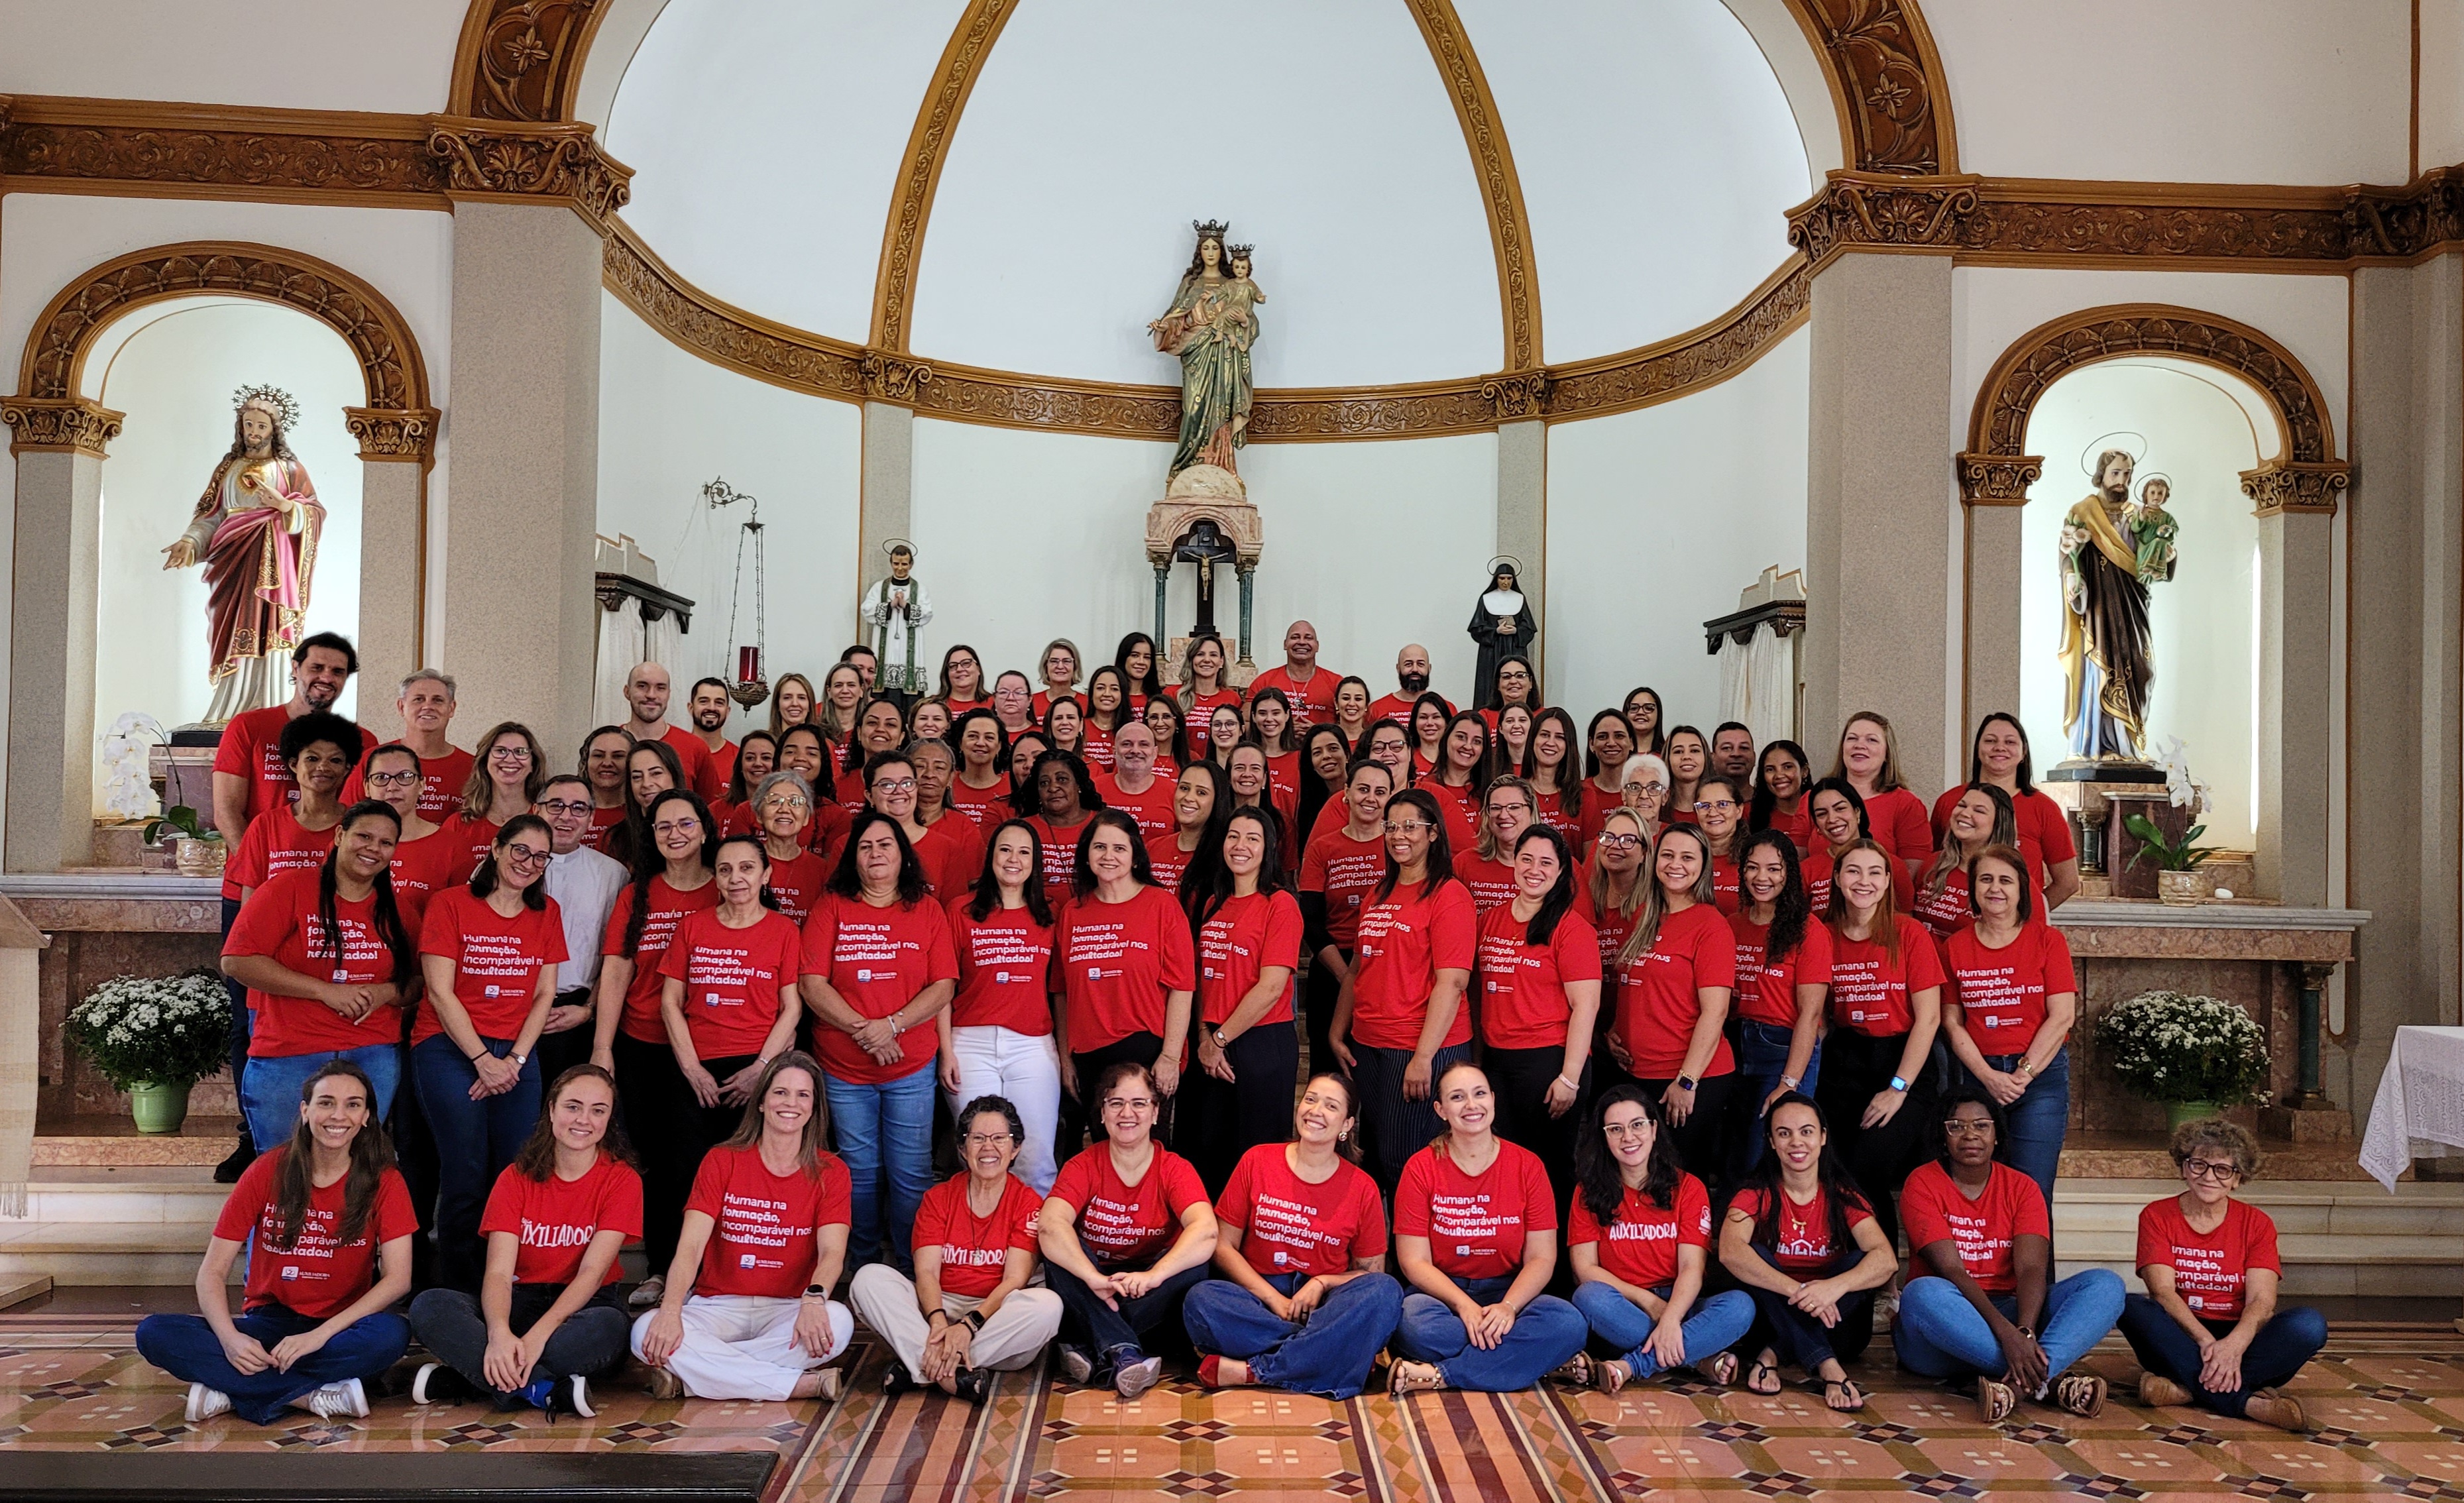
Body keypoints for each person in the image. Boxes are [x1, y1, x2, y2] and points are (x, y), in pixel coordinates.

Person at [135, 1061, 413, 1424]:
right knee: (154, 1333)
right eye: (326, 1103)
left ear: (366, 1117)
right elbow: (212, 1273)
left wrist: (318, 1336)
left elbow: (398, 1279)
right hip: (268, 1324)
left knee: (391, 1335)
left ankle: (234, 1390)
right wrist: (231, 1340)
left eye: (353, 1104)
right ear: (305, 1110)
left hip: (336, 1330)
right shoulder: (268, 1169)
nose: (338, 1115)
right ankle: (309, 1396)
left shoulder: (385, 1180)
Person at [406, 1064, 642, 1417]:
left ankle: (469, 1379)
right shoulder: (516, 1177)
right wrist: (500, 1333)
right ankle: (540, 1387)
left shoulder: (622, 1180)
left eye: (598, 1110)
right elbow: (499, 1274)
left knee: (609, 1331)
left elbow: (592, 1273)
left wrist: (536, 1338)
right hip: (520, 1301)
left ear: (609, 1119)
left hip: (585, 1305)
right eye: (573, 1106)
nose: (583, 1120)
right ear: (551, 1110)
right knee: (429, 1306)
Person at [631, 1052, 854, 1401]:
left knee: (838, 1322)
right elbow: (690, 1247)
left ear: (814, 1107)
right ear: (762, 1101)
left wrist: (813, 1302)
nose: (790, 1103)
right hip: (717, 1305)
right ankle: (796, 1384)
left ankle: (694, 1381)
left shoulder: (831, 1171)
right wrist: (671, 1310)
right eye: (780, 1092)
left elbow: (832, 1251)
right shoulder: (723, 1160)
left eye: (803, 1095)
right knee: (645, 1331)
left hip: (789, 1307)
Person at [1893, 1089, 2125, 1420]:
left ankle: (2017, 1386)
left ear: (1998, 1136)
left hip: (2012, 1312)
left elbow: (2032, 1269)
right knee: (1922, 1292)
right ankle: (2052, 1379)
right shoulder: (1923, 1182)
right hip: (1943, 1331)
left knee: (2106, 1286)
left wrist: (2025, 1332)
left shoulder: (2023, 1187)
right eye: (1956, 1126)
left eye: (1982, 1126)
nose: (1970, 1134)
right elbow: (1951, 1270)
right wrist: (2008, 1336)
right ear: (1942, 1137)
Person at [802, 810, 958, 1273]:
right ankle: (864, 1266)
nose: (875, 854)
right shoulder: (831, 906)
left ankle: (915, 1270)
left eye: (885, 845)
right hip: (844, 1068)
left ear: (903, 855)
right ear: (853, 857)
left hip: (910, 1067)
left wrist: (890, 1026)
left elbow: (943, 985)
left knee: (911, 1175)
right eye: (865, 846)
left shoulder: (927, 910)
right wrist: (865, 1031)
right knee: (860, 1175)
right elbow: (812, 982)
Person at [415, 816, 567, 1291]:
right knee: (466, 1167)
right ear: (497, 849)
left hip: (516, 1052)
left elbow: (545, 995)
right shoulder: (451, 904)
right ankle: (457, 1287)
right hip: (448, 1047)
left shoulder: (548, 912)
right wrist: (484, 1060)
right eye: (520, 851)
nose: (528, 863)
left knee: (517, 1169)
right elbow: (440, 993)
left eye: (540, 857)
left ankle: (501, 1283)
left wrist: (515, 1061)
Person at [1181, 1074, 1402, 1396]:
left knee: (1385, 1292)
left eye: (1331, 1106)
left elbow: (1371, 1274)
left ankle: (1255, 1372)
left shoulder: (1362, 1187)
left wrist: (1322, 1282)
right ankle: (1337, 1350)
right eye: (1311, 1099)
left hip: (1327, 1305)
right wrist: (1274, 1300)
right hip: (1260, 1297)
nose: (1315, 1110)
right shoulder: (1257, 1160)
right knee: (1201, 1301)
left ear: (1347, 1123)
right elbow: (1223, 1246)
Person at [221, 800, 418, 1151]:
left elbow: (418, 983)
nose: (374, 848)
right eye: (364, 836)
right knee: (285, 1173)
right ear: (340, 835)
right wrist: (324, 991)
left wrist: (385, 993)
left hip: (371, 1054)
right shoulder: (290, 888)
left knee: (358, 1172)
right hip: (290, 1051)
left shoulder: (399, 909)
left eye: (386, 843)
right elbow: (238, 960)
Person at [1386, 1062, 1587, 1396]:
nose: (1471, 1105)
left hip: (1510, 1294)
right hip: (1443, 1297)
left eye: (1479, 1094)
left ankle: (1442, 1374)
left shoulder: (1528, 1166)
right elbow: (1413, 1261)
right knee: (1411, 1325)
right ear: (1441, 1109)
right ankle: (1538, 1361)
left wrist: (1508, 1308)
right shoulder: (1420, 1168)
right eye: (1457, 1097)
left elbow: (1541, 1257)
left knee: (1569, 1322)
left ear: (1493, 1100)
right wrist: (1465, 1306)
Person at [848, 1095, 1064, 1401]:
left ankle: (920, 1366)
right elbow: (926, 1271)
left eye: (1000, 1139)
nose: (988, 1148)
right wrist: (938, 1320)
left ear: (1015, 1148)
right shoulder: (939, 1198)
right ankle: (955, 1376)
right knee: (869, 1278)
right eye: (977, 1138)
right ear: (962, 1149)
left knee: (1047, 1306)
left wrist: (970, 1325)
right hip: (937, 1309)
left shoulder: (1028, 1202)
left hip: (995, 1317)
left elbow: (1015, 1280)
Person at [592, 789, 718, 1310]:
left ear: (705, 830)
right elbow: (618, 968)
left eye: (685, 824)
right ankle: (667, 1269)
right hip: (643, 1041)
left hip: (710, 1047)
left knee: (702, 1163)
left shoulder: (723, 888)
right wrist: (603, 1048)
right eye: (663, 827)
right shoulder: (637, 893)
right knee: (658, 1164)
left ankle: (711, 1271)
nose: (675, 835)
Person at [2119, 1119, 2324, 1430]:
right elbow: (2162, 1292)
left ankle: (2184, 1390)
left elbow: (2262, 1300)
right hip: (2180, 1333)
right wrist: (2205, 1342)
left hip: (2242, 1336)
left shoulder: (2257, 1223)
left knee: (2309, 1325)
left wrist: (2233, 1346)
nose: (2208, 1177)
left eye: (2222, 1169)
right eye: (2199, 1164)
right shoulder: (2157, 1215)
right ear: (2184, 1167)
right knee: (2131, 1307)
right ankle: (2248, 1403)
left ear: (2237, 1179)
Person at [1039, 1061, 1218, 1398]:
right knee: (1058, 1253)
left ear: (1155, 1113)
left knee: (1197, 1264)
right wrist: (1093, 1279)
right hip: (1093, 1284)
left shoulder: (1174, 1168)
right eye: (1116, 1103)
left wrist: (1154, 1276)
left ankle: (1093, 1345)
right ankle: (1124, 1351)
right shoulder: (1083, 1165)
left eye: (1139, 1103)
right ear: (1102, 1114)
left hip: (1150, 1289)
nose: (1127, 1113)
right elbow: (1050, 1225)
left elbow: (1206, 1230)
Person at [1331, 787, 1477, 1197]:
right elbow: (1360, 967)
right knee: (1373, 1156)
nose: (1399, 834)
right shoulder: (1378, 893)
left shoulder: (1450, 896)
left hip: (1418, 1048)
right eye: (1391, 825)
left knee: (1406, 1162)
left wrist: (1424, 1056)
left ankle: (1408, 1258)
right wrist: (1337, 1031)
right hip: (1369, 1045)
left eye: (1410, 826)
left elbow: (1452, 982)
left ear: (1433, 834)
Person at [1566, 1087, 1754, 1392]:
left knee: (1740, 1307)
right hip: (1625, 1304)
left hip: (1683, 1301)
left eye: (1637, 1125)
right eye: (1616, 1129)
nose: (1628, 1137)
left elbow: (1693, 1267)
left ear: (1654, 1129)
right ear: (1604, 1138)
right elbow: (1585, 1269)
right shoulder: (1588, 1191)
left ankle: (1634, 1365)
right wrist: (1648, 1302)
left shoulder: (1689, 1187)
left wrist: (1671, 1318)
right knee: (1588, 1297)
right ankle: (1698, 1358)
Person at [657, 832, 803, 1221]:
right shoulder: (692, 926)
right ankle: (673, 1271)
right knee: (684, 1170)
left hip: (756, 1069)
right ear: (716, 879)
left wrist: (762, 1069)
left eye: (746, 868)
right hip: (694, 1068)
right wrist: (692, 1069)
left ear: (766, 875)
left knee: (748, 1175)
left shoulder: (784, 930)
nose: (735, 878)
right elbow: (671, 1002)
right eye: (725, 870)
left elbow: (791, 1008)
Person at [1720, 1093, 1897, 1410]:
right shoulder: (1755, 1193)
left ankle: (1774, 1353)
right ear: (1772, 1142)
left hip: (1835, 1321)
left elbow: (1885, 1260)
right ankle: (1827, 1366)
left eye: (1806, 1131)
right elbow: (1730, 1252)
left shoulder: (1843, 1195)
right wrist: (1798, 1290)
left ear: (1823, 1137)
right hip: (1770, 1317)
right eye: (1784, 1133)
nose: (1796, 1142)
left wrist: (1832, 1288)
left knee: (1859, 1262)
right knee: (1754, 1254)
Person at [1816, 838, 1942, 1251]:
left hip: (1903, 1062)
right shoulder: (1823, 934)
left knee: (1866, 1168)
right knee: (1836, 1168)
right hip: (1845, 1061)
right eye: (1853, 871)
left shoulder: (1908, 933)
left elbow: (1929, 1017)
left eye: (1875, 872)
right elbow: (1818, 1013)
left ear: (1889, 881)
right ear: (1837, 878)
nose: (1863, 881)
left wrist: (1897, 1090)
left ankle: (1883, 1279)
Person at [1940, 844, 2078, 1206]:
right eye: (1985, 879)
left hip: (2040, 1080)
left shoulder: (2049, 941)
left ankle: (2034, 1267)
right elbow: (1953, 1023)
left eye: (2006, 880)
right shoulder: (1954, 947)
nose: (1995, 889)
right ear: (1973, 889)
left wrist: (2023, 1074)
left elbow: (2063, 1015)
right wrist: (1988, 1077)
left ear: (2022, 890)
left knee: (2032, 1191)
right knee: (1981, 1190)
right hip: (1978, 1077)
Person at [1477, 824, 1600, 1216]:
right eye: (1526, 859)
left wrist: (1569, 1078)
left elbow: (1587, 1006)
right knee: (1506, 1168)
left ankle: (1560, 1269)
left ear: (1562, 870)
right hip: (1498, 1062)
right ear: (1513, 862)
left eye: (1547, 862)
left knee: (1551, 1172)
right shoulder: (1490, 920)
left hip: (1548, 1063)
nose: (1535, 869)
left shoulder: (1572, 928)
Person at [1606, 823, 1737, 1181]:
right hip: (1639, 1073)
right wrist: (1617, 1029)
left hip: (1686, 1079)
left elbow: (1717, 1011)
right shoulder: (1644, 914)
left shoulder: (1711, 926)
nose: (1676, 864)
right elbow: (1638, 983)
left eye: (1687, 857)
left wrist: (1687, 1081)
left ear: (1703, 866)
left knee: (1676, 1179)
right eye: (1668, 855)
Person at [1183, 807, 1304, 1192]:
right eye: (1234, 836)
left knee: (1255, 1157)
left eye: (1253, 838)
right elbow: (1202, 978)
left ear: (1268, 848)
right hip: (1211, 1043)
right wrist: (1205, 1034)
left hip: (1260, 1043)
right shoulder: (1211, 904)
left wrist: (1219, 1040)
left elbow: (1270, 988)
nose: (1241, 846)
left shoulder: (1280, 904)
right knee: (1208, 1153)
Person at [945, 821, 1064, 1195]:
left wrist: (1065, 1052)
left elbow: (1060, 989)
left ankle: (1033, 1249)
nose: (1014, 859)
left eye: (1024, 852)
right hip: (969, 1044)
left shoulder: (1050, 914)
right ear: (991, 857)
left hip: (1032, 1044)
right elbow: (942, 988)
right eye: (1005, 850)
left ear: (1035, 863)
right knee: (980, 1152)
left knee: (1036, 1156)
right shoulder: (960, 910)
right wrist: (946, 1051)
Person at [1054, 809, 1196, 1117]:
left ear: (1135, 857)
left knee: (1146, 1153)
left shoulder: (1162, 906)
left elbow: (1182, 988)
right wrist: (1065, 1060)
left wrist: (1171, 1057)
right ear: (1087, 854)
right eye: (1100, 847)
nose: (1108, 856)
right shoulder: (1072, 912)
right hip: (1087, 1056)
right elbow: (1061, 992)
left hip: (1147, 1051)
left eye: (1119, 848)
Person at [1728, 830, 1830, 1161]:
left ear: (1790, 873)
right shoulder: (1732, 924)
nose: (1762, 877)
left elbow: (1810, 1016)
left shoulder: (1809, 930)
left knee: (1765, 1154)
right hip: (1735, 1046)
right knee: (1737, 1152)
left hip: (1783, 1047)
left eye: (1774, 868)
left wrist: (1789, 1082)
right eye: (1753, 867)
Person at [1300, 758, 1392, 1086]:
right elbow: (1310, 920)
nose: (1371, 798)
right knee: (1328, 1075)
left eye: (1381, 792)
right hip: (1332, 969)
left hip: (1387, 967)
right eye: (1363, 789)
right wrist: (1346, 977)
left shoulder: (1400, 847)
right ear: (1346, 793)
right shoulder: (1323, 848)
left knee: (1380, 1077)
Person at [533, 775, 628, 1084]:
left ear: (591, 818)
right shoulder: (502, 866)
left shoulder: (614, 875)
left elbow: (616, 957)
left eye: (578, 808)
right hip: (511, 1012)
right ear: (536, 810)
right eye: (556, 805)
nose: (565, 816)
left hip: (578, 1014)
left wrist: (588, 1008)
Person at [1938, 713, 2082, 911]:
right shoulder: (1950, 802)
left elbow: (2068, 882)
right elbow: (1935, 865)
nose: (2000, 747)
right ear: (1978, 750)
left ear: (2024, 753)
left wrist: (2026, 917)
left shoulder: (2044, 808)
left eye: (2010, 742)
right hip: (1951, 924)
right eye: (1990, 741)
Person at [225, 711, 356, 905]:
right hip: (275, 932)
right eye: (312, 759)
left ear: (346, 769)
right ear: (294, 764)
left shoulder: (358, 825)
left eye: (335, 760)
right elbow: (251, 905)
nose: (323, 767)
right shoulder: (265, 825)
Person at [339, 669, 471, 818]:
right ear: (401, 707)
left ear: (451, 708)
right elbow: (348, 817)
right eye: (419, 699)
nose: (428, 706)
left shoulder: (472, 766)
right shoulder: (374, 759)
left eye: (438, 700)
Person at [868, 748, 985, 897]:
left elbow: (957, 906)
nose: (929, 775)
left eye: (939, 768)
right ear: (869, 795)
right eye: (920, 766)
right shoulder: (848, 843)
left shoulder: (949, 846)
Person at [437, 721, 548, 875]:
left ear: (533, 764)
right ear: (485, 762)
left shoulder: (546, 821)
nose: (510, 759)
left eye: (520, 752)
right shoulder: (458, 825)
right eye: (501, 751)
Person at [1915, 783, 2019, 941]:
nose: (1964, 813)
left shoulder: (2015, 882)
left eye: (1979, 810)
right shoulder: (1933, 863)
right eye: (1961, 805)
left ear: (1999, 824)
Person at [1829, 712, 1932, 871]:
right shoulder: (1814, 799)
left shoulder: (1906, 804)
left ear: (1887, 753)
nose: (1859, 745)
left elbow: (1913, 871)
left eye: (1871, 740)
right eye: (1852, 738)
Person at [620, 662, 721, 805]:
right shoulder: (608, 746)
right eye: (642, 686)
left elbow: (712, 811)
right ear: (627, 692)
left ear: (668, 694)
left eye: (660, 688)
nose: (651, 695)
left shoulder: (696, 748)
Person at [749, 770, 829, 924]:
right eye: (774, 801)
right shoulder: (745, 864)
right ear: (759, 815)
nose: (785, 809)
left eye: (796, 802)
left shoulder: (821, 869)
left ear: (806, 817)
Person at [1026, 749, 1101, 905]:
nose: (1053, 788)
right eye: (1044, 783)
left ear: (1079, 784)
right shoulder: (1023, 830)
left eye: (1062, 779)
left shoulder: (1104, 824)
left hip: (1095, 916)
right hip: (1037, 915)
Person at [861, 543, 934, 698]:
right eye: (896, 563)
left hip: (909, 651)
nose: (900, 568)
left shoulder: (919, 589)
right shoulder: (879, 587)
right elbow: (867, 610)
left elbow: (927, 613)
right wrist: (890, 605)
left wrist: (906, 606)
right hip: (886, 649)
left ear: (911, 564)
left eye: (904, 564)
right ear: (891, 563)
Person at [1147, 758, 1223, 897]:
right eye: (1184, 788)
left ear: (1218, 800)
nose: (1189, 798)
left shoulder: (1224, 856)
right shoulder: (1153, 848)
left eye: (1201, 793)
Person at [605, 738, 685, 869]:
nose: (646, 784)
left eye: (656, 773)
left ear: (674, 777)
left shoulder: (696, 831)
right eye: (637, 777)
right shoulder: (614, 840)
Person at [1093, 720, 1176, 843]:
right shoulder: (1095, 788)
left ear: (1155, 753)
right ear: (1114, 751)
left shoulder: (1174, 792)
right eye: (1127, 744)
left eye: (1143, 744)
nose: (1135, 751)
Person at [1423, 712, 1490, 852]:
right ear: (1446, 738)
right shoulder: (1425, 787)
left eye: (1477, 741)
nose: (1468, 746)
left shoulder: (1491, 791)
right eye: (1461, 737)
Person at [1250, 620, 1338, 728]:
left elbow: (1353, 725)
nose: (1302, 642)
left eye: (1308, 638)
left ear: (1317, 646)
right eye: (1295, 637)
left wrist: (1318, 732)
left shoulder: (1336, 683)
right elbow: (1246, 722)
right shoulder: (1264, 682)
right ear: (1285, 644)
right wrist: (1283, 732)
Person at [1520, 708, 1585, 842]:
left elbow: (1591, 859)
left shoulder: (1585, 796)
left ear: (1569, 745)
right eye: (1544, 735)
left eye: (1560, 737)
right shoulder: (1516, 793)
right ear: (1533, 739)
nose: (1550, 743)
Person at [1177, 634, 1242, 760]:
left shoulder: (1232, 698)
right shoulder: (1173, 694)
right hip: (1183, 765)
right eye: (1200, 654)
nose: (1207, 660)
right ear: (1191, 660)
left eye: (1213, 655)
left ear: (1221, 661)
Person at [1691, 773, 1749, 913]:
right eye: (1704, 806)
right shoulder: (1686, 858)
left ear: (1739, 811)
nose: (1713, 812)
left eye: (1723, 804)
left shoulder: (1753, 857)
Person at [1579, 709, 1637, 850]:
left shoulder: (1643, 794)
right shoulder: (1579, 793)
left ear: (1631, 743)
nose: (1611, 743)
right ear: (1592, 744)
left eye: (1619, 736)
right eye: (1603, 737)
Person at [948, 709, 1012, 828]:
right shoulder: (946, 783)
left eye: (989, 738)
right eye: (973, 736)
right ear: (960, 743)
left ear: (999, 746)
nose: (981, 743)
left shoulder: (1012, 786)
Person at [1748, 740, 1815, 853]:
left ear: (1804, 771)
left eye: (1788, 767)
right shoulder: (1749, 813)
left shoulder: (1821, 813)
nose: (1779, 775)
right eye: (1770, 770)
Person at [579, 726, 633, 852]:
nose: (607, 763)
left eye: (618, 756)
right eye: (598, 755)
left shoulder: (642, 814)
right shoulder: (567, 812)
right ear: (586, 761)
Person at [1368, 644, 1449, 728]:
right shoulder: (1377, 709)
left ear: (1429, 668)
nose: (1415, 669)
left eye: (1420, 664)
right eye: (1408, 664)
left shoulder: (1447, 708)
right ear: (1398, 668)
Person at [685, 677, 738, 788]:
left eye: (719, 703)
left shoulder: (739, 758)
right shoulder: (676, 752)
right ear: (691, 708)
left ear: (727, 711)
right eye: (704, 701)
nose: (712, 708)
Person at [1082, 665, 1131, 772]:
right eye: (1100, 688)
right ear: (1091, 694)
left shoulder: (1130, 731)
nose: (1107, 694)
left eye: (1114, 689)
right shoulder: (1079, 727)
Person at [1662, 726, 1708, 823]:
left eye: (1695, 751)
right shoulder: (1656, 809)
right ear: (1668, 759)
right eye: (1678, 751)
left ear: (1706, 757)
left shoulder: (1718, 811)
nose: (1687, 757)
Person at [1141, 696, 1194, 776]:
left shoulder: (1192, 758)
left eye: (1166, 717)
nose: (1160, 723)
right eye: (1154, 717)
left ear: (1177, 723)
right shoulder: (1136, 757)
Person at [817, 661, 867, 745]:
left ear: (861, 690)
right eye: (838, 685)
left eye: (851, 685)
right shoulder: (816, 729)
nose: (845, 691)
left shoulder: (869, 730)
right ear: (829, 691)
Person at [1113, 632, 1166, 710]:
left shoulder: (1160, 699)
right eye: (1135, 656)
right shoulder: (1112, 697)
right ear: (1124, 658)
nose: (1141, 662)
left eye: (1147, 657)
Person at [1033, 639, 1083, 718]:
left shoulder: (1087, 703)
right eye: (1054, 661)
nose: (1060, 666)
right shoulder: (1031, 702)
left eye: (1066, 661)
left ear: (1075, 666)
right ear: (1046, 666)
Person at [1406, 693, 1451, 779]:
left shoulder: (1456, 758)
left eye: (1436, 717)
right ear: (1415, 722)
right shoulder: (1406, 758)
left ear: (1447, 722)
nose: (1430, 723)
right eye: (1423, 717)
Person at [938, 646, 989, 714]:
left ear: (978, 669)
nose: (959, 669)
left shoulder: (995, 703)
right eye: (953, 666)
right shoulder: (932, 705)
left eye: (966, 663)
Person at [1622, 687, 1668, 760]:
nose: (1640, 712)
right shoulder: (1617, 753)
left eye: (1649, 708)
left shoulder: (1668, 755)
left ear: (1658, 714)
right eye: (1634, 708)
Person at [767, 671, 818, 737]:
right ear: (777, 705)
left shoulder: (824, 744)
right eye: (787, 698)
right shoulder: (765, 745)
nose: (795, 703)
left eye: (801, 698)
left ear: (810, 706)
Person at [1331, 675, 1374, 747]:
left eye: (1358, 699)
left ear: (1366, 705)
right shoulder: (1325, 739)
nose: (1351, 704)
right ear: (1336, 703)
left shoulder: (1374, 740)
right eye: (1346, 698)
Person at [1043, 694, 1089, 761]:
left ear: (1081, 724)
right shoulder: (1039, 764)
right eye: (1058, 718)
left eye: (1071, 717)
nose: (1065, 722)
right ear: (1050, 724)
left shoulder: (1094, 767)